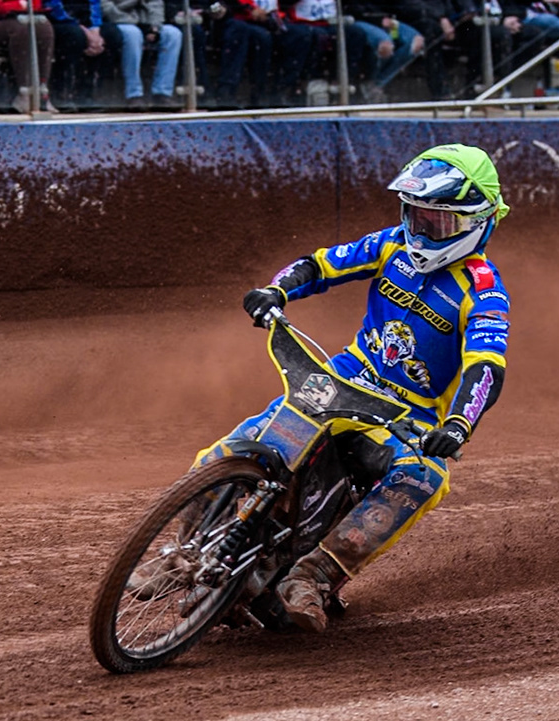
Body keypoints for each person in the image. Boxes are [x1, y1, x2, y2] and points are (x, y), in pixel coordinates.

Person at [197, 144, 512, 631]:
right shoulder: (391, 245)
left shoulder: (484, 290)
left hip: (404, 418)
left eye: (438, 223)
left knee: (427, 477)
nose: (422, 231)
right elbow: (321, 265)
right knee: (229, 452)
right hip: (339, 380)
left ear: (478, 221)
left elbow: (486, 369)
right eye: (416, 216)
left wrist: (459, 424)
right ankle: (184, 550)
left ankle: (314, 575)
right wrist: (276, 290)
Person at [0, 0, 57, 110]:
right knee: (21, 28)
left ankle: (42, 91)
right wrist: (20, 5)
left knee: (45, 27)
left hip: (23, 18)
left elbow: (35, 5)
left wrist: (19, 6)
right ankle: (24, 91)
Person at [103, 0, 183, 108]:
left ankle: (162, 92)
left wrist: (154, 28)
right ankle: (134, 94)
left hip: (147, 23)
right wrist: (134, 20)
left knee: (173, 34)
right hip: (119, 21)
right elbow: (106, 7)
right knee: (133, 34)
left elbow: (156, 4)